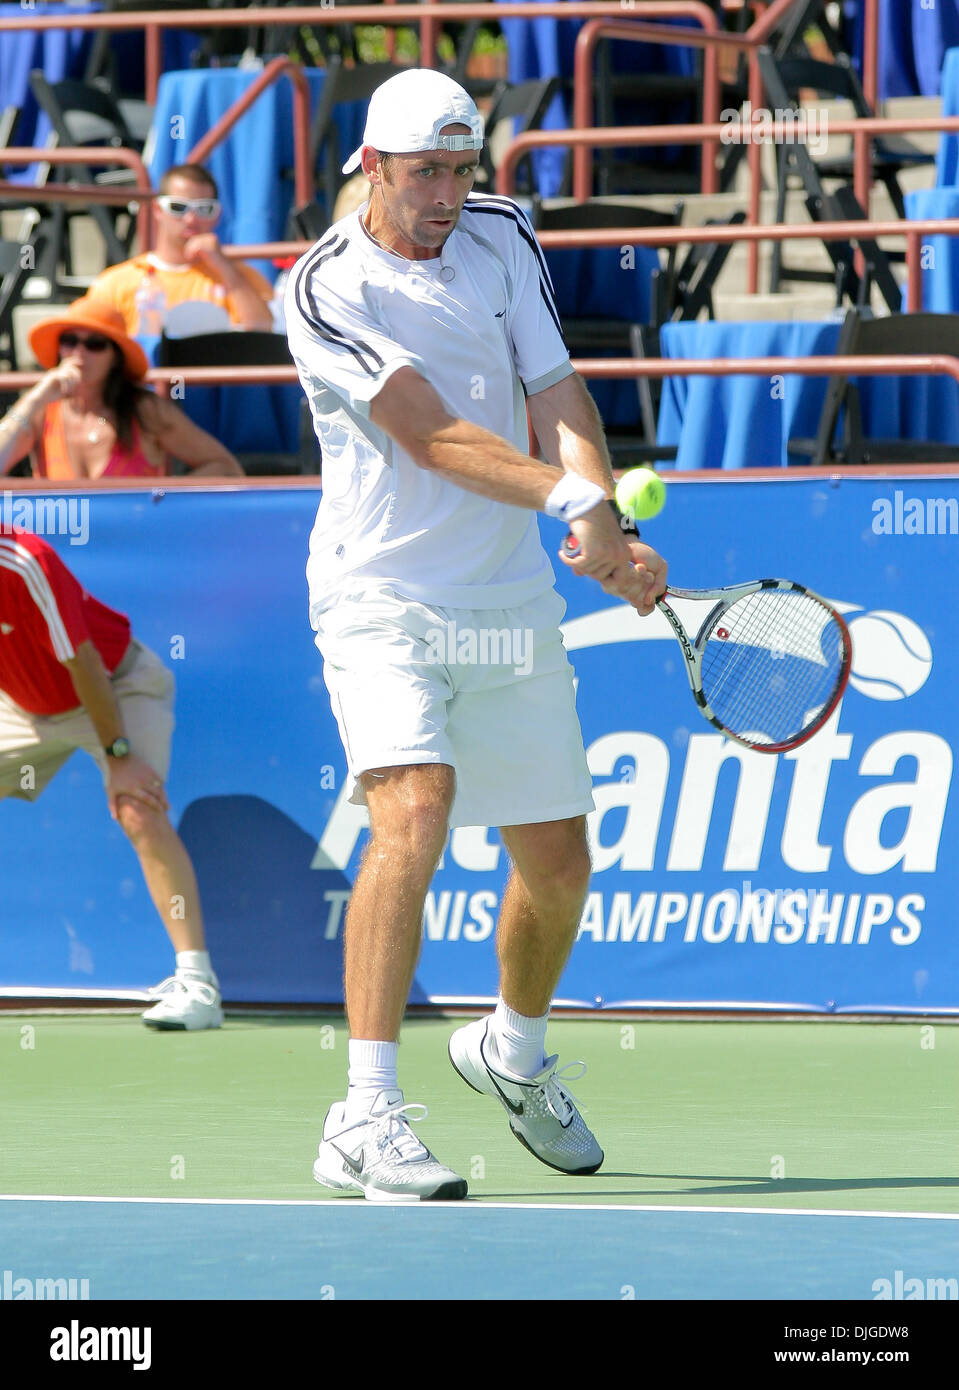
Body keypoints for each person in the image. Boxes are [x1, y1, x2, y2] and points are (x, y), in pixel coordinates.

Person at [285, 69, 668, 1203]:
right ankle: (361, 1113)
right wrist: (569, 504)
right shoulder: (321, 290)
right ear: (370, 167)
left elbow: (551, 385)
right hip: (381, 598)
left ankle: (510, 1047)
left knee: (556, 866)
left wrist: (595, 503)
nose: (448, 193)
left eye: (463, 168)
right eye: (425, 174)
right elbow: (430, 435)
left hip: (507, 604)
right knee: (413, 806)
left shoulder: (501, 233)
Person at [0, 526, 223, 1030]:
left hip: (116, 686)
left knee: (137, 808)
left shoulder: (23, 560)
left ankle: (198, 985)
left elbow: (86, 665)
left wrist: (118, 755)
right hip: (22, 706)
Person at [0, 297, 243, 479]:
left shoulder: (145, 411)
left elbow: (225, 467)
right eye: (69, 341)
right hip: (61, 545)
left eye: (95, 344)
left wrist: (165, 503)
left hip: (135, 544)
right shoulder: (41, 410)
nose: (79, 353)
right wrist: (38, 395)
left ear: (115, 357)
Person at [86, 164, 273, 337]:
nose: (191, 219)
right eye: (178, 207)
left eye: (204, 209)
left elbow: (264, 332)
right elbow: (87, 343)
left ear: (217, 215)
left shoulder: (242, 278)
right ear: (157, 209)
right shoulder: (116, 282)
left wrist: (224, 266)